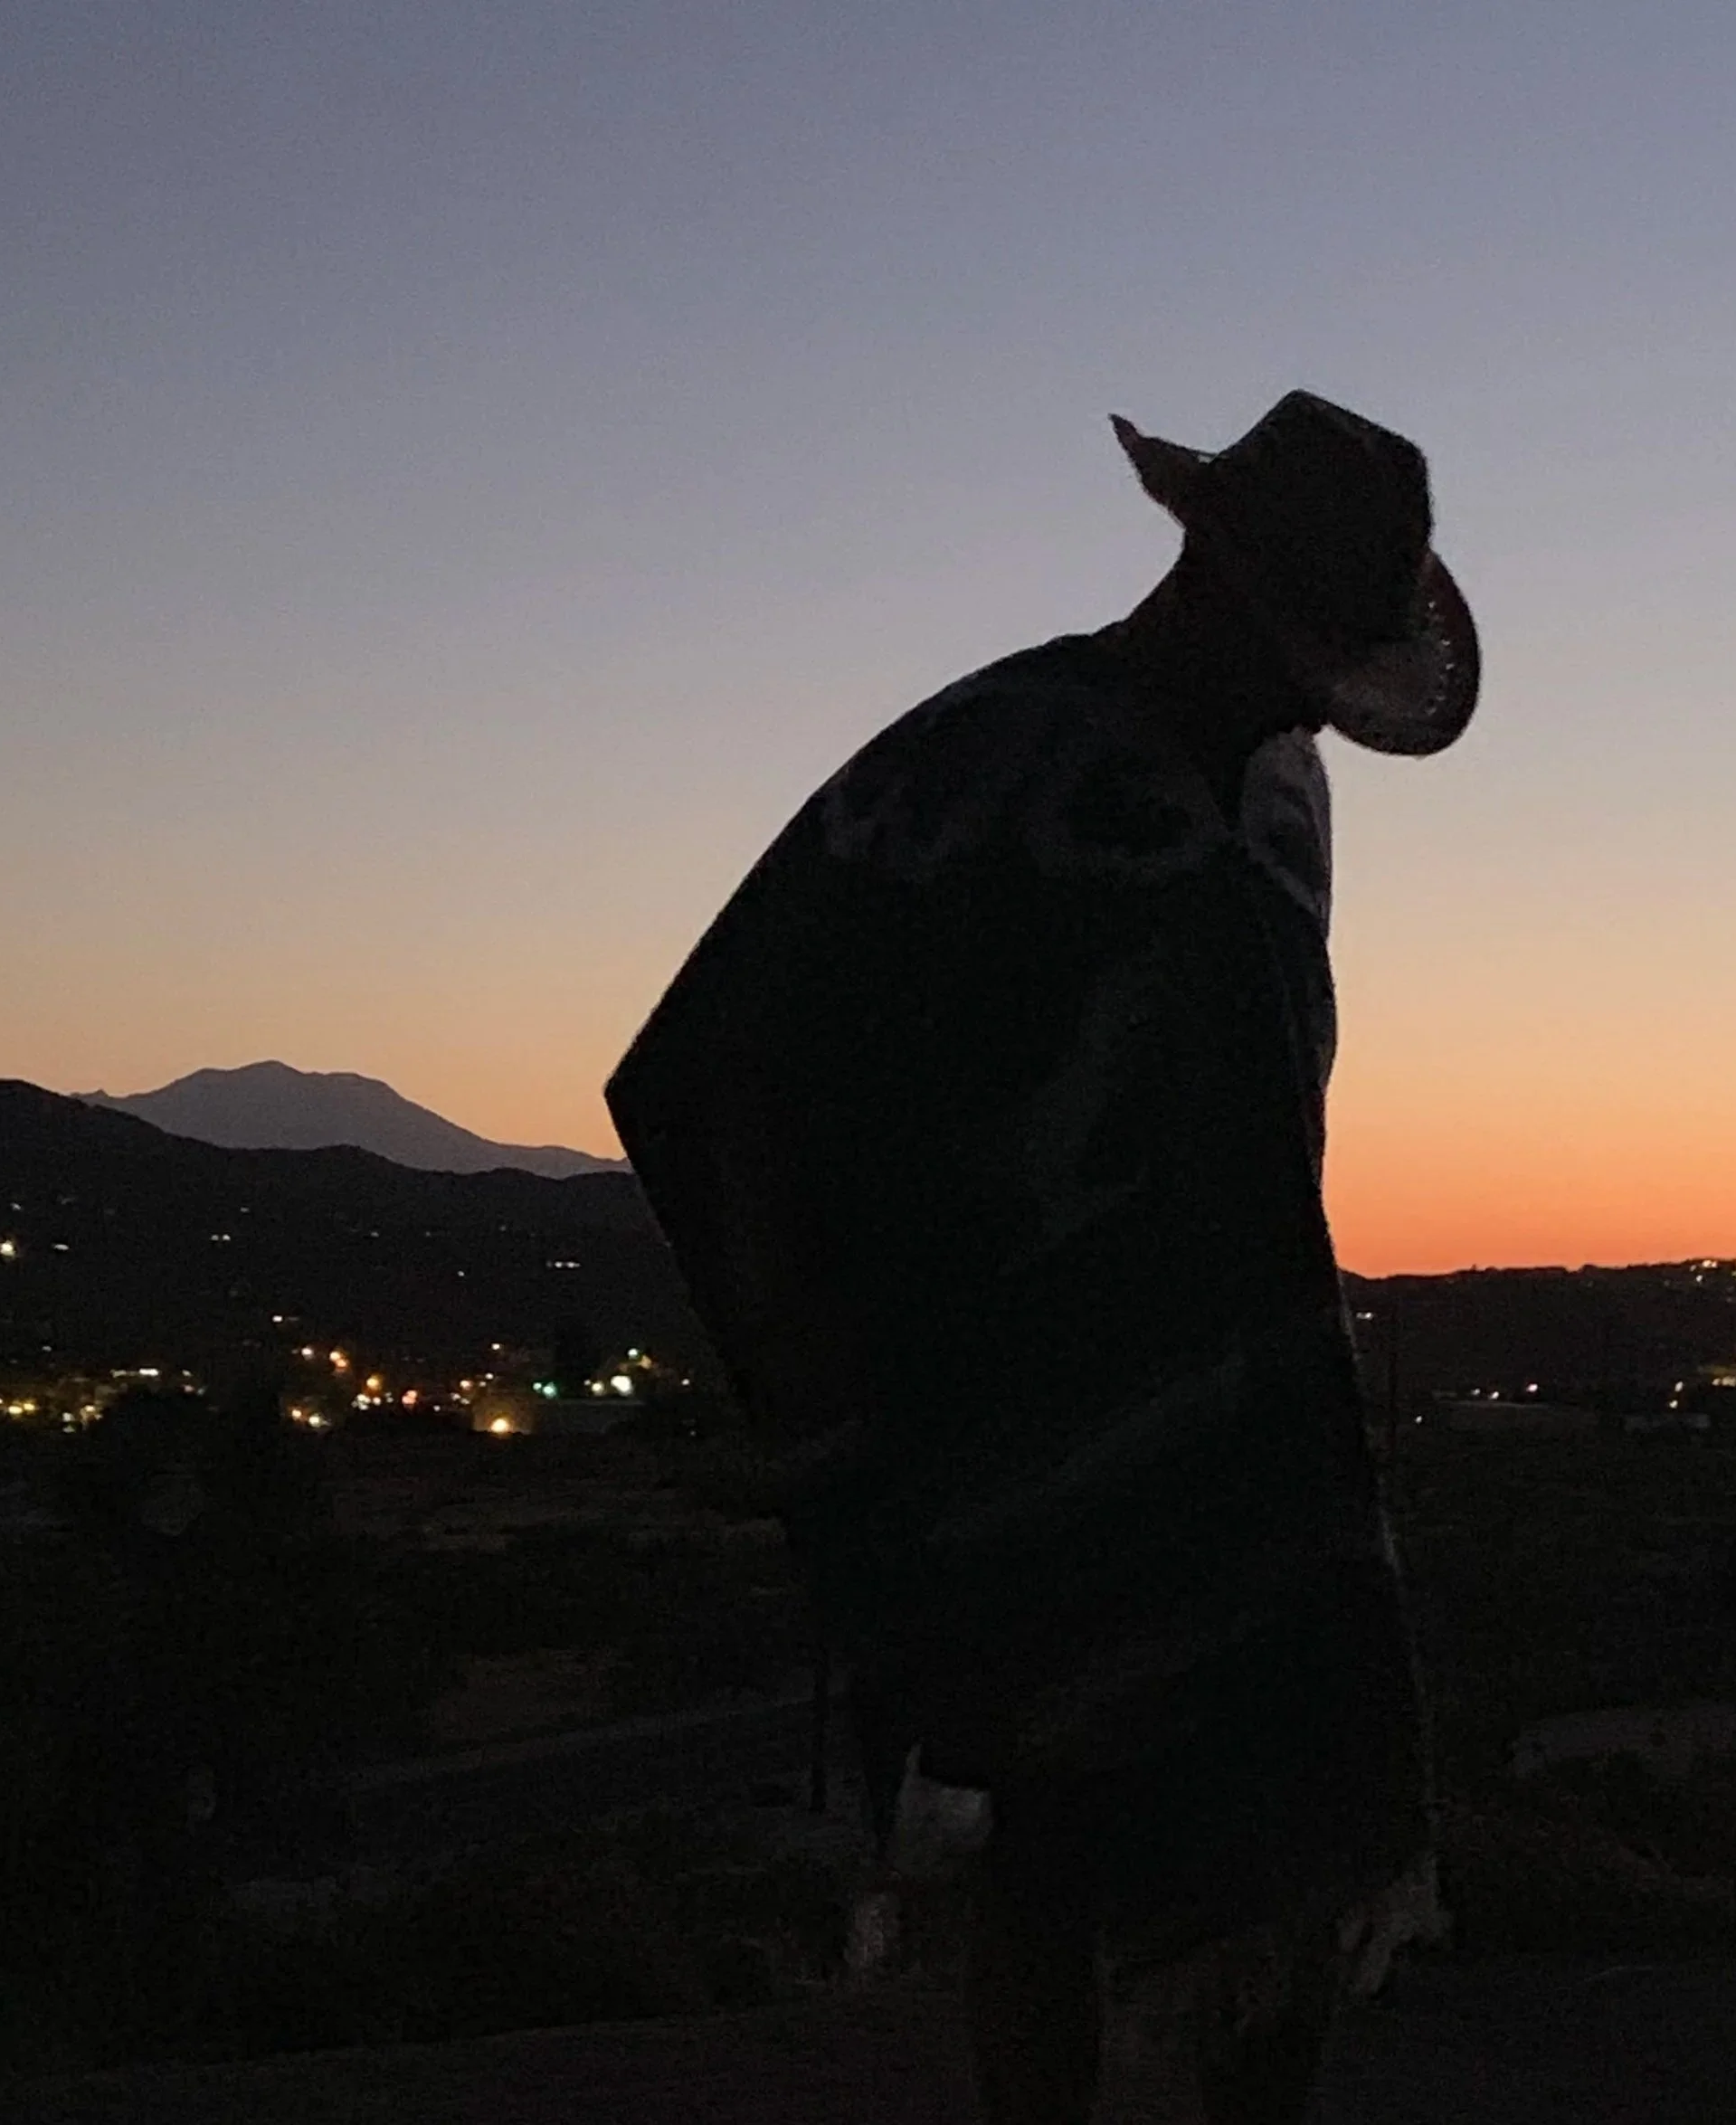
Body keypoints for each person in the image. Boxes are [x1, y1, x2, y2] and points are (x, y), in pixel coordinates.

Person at [605, 390, 1480, 2122]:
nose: (1313, 697)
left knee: (1289, 1839)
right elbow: (722, 1059)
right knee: (1052, 1833)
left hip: (1251, 1417)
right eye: (1303, 653)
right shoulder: (980, 762)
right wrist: (859, 1393)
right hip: (1009, 1437)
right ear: (1212, 583)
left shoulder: (1284, 800)